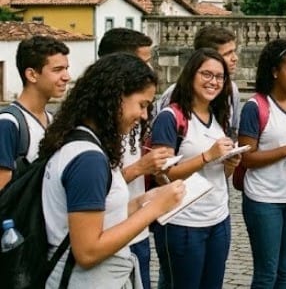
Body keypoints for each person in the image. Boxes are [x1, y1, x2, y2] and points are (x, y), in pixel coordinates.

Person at [40, 53, 185, 289]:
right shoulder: (88, 160)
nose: (144, 115)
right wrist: (155, 210)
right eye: (142, 104)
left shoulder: (84, 143)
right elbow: (87, 251)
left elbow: (99, 217)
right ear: (116, 97)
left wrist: (141, 203)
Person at [150, 48, 240, 289]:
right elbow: (163, 175)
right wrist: (207, 156)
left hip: (218, 218)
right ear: (191, 74)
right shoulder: (171, 117)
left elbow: (218, 174)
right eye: (206, 74)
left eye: (219, 77)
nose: (213, 82)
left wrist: (229, 164)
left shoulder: (219, 115)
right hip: (183, 223)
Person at [97, 28, 171, 289]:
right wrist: (142, 167)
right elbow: (100, 181)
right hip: (110, 232)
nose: (149, 67)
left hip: (136, 226)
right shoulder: (94, 130)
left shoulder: (133, 112)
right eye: (144, 60)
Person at [238, 40, 286, 289]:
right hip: (263, 199)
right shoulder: (255, 107)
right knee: (266, 273)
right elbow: (247, 158)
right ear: (274, 71)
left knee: (285, 269)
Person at [0, 35, 70, 191]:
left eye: (66, 69)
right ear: (32, 75)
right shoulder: (8, 124)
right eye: (57, 70)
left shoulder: (51, 120)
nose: (66, 77)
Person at [158, 26, 241, 135]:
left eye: (234, 52)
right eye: (227, 54)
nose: (235, 58)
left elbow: (232, 130)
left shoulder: (232, 89)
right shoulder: (173, 94)